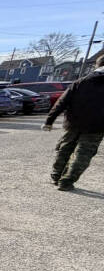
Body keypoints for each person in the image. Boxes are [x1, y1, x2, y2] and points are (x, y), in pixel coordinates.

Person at [41, 54, 104, 191]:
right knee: (83, 153)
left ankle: (56, 175)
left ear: (97, 65)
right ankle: (66, 181)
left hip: (73, 123)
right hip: (97, 127)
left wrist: (49, 120)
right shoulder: (81, 82)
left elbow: (62, 102)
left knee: (64, 148)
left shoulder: (81, 82)